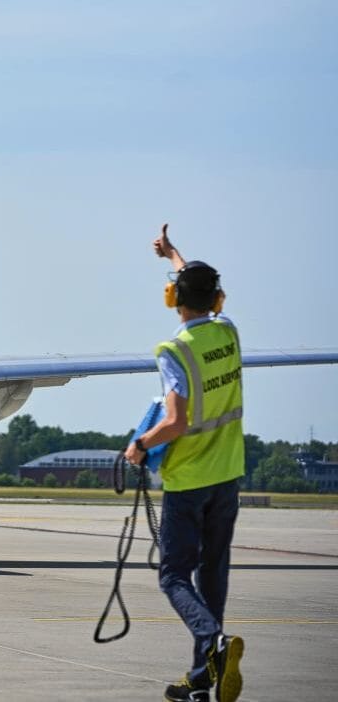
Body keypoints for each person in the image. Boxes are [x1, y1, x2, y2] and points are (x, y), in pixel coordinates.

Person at [124, 225, 245, 702]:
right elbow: (197, 284)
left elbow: (176, 421)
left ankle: (213, 643)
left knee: (174, 576)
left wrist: (140, 444)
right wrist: (173, 255)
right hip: (228, 475)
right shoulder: (227, 332)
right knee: (212, 575)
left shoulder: (173, 350)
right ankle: (201, 678)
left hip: (190, 479)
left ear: (174, 297)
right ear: (217, 299)